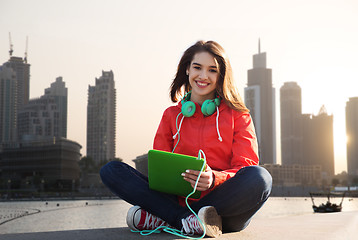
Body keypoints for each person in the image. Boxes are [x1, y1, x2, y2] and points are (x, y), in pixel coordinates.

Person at [100, 40, 272, 237]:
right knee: (111, 170)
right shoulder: (171, 116)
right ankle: (184, 219)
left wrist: (214, 178)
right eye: (197, 67)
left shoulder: (239, 116)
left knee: (261, 177)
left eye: (212, 70)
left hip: (224, 210)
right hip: (177, 200)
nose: (203, 76)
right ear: (187, 70)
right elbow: (160, 169)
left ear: (221, 75)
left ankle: (172, 218)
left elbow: (245, 166)